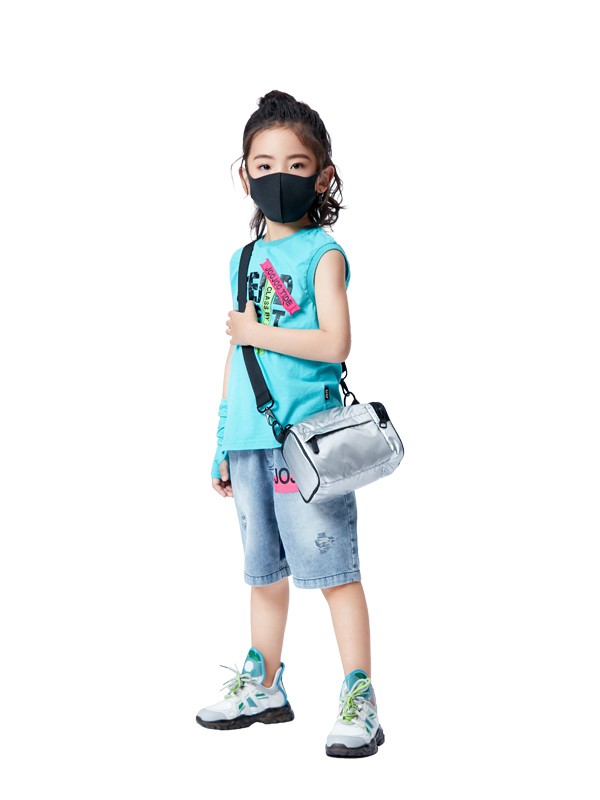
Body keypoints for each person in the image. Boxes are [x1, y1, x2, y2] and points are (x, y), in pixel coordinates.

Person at [196, 90, 384, 759]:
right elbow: (237, 353)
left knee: (334, 571)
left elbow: (335, 342)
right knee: (263, 574)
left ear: (323, 176)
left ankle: (360, 698)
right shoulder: (243, 260)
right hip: (250, 440)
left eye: (297, 165)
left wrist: (256, 332)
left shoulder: (322, 254)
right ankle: (264, 685)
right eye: (265, 164)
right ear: (243, 174)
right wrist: (223, 439)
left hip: (309, 445)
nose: (280, 177)